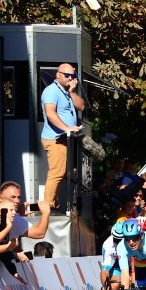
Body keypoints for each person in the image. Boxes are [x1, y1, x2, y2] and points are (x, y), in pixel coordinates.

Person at [40, 63, 85, 208]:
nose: (70, 78)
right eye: (67, 75)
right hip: (55, 138)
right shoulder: (51, 91)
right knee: (57, 172)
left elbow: (81, 106)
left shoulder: (66, 92)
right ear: (58, 75)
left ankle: (52, 203)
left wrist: (72, 91)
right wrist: (67, 129)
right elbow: (50, 113)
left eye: (72, 76)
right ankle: (47, 205)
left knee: (63, 171)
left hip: (65, 139)